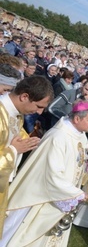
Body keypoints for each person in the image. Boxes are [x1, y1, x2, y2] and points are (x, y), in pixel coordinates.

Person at [0, 100, 88, 246]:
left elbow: (77, 162)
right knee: (23, 236)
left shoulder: (80, 135)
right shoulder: (57, 137)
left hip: (61, 196)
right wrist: (75, 194)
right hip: (40, 198)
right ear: (77, 119)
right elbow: (51, 175)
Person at [0, 75, 53, 239]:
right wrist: (14, 151)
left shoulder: (16, 113)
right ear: (24, 96)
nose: (40, 112)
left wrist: (26, 141)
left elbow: (13, 135)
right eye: (38, 106)